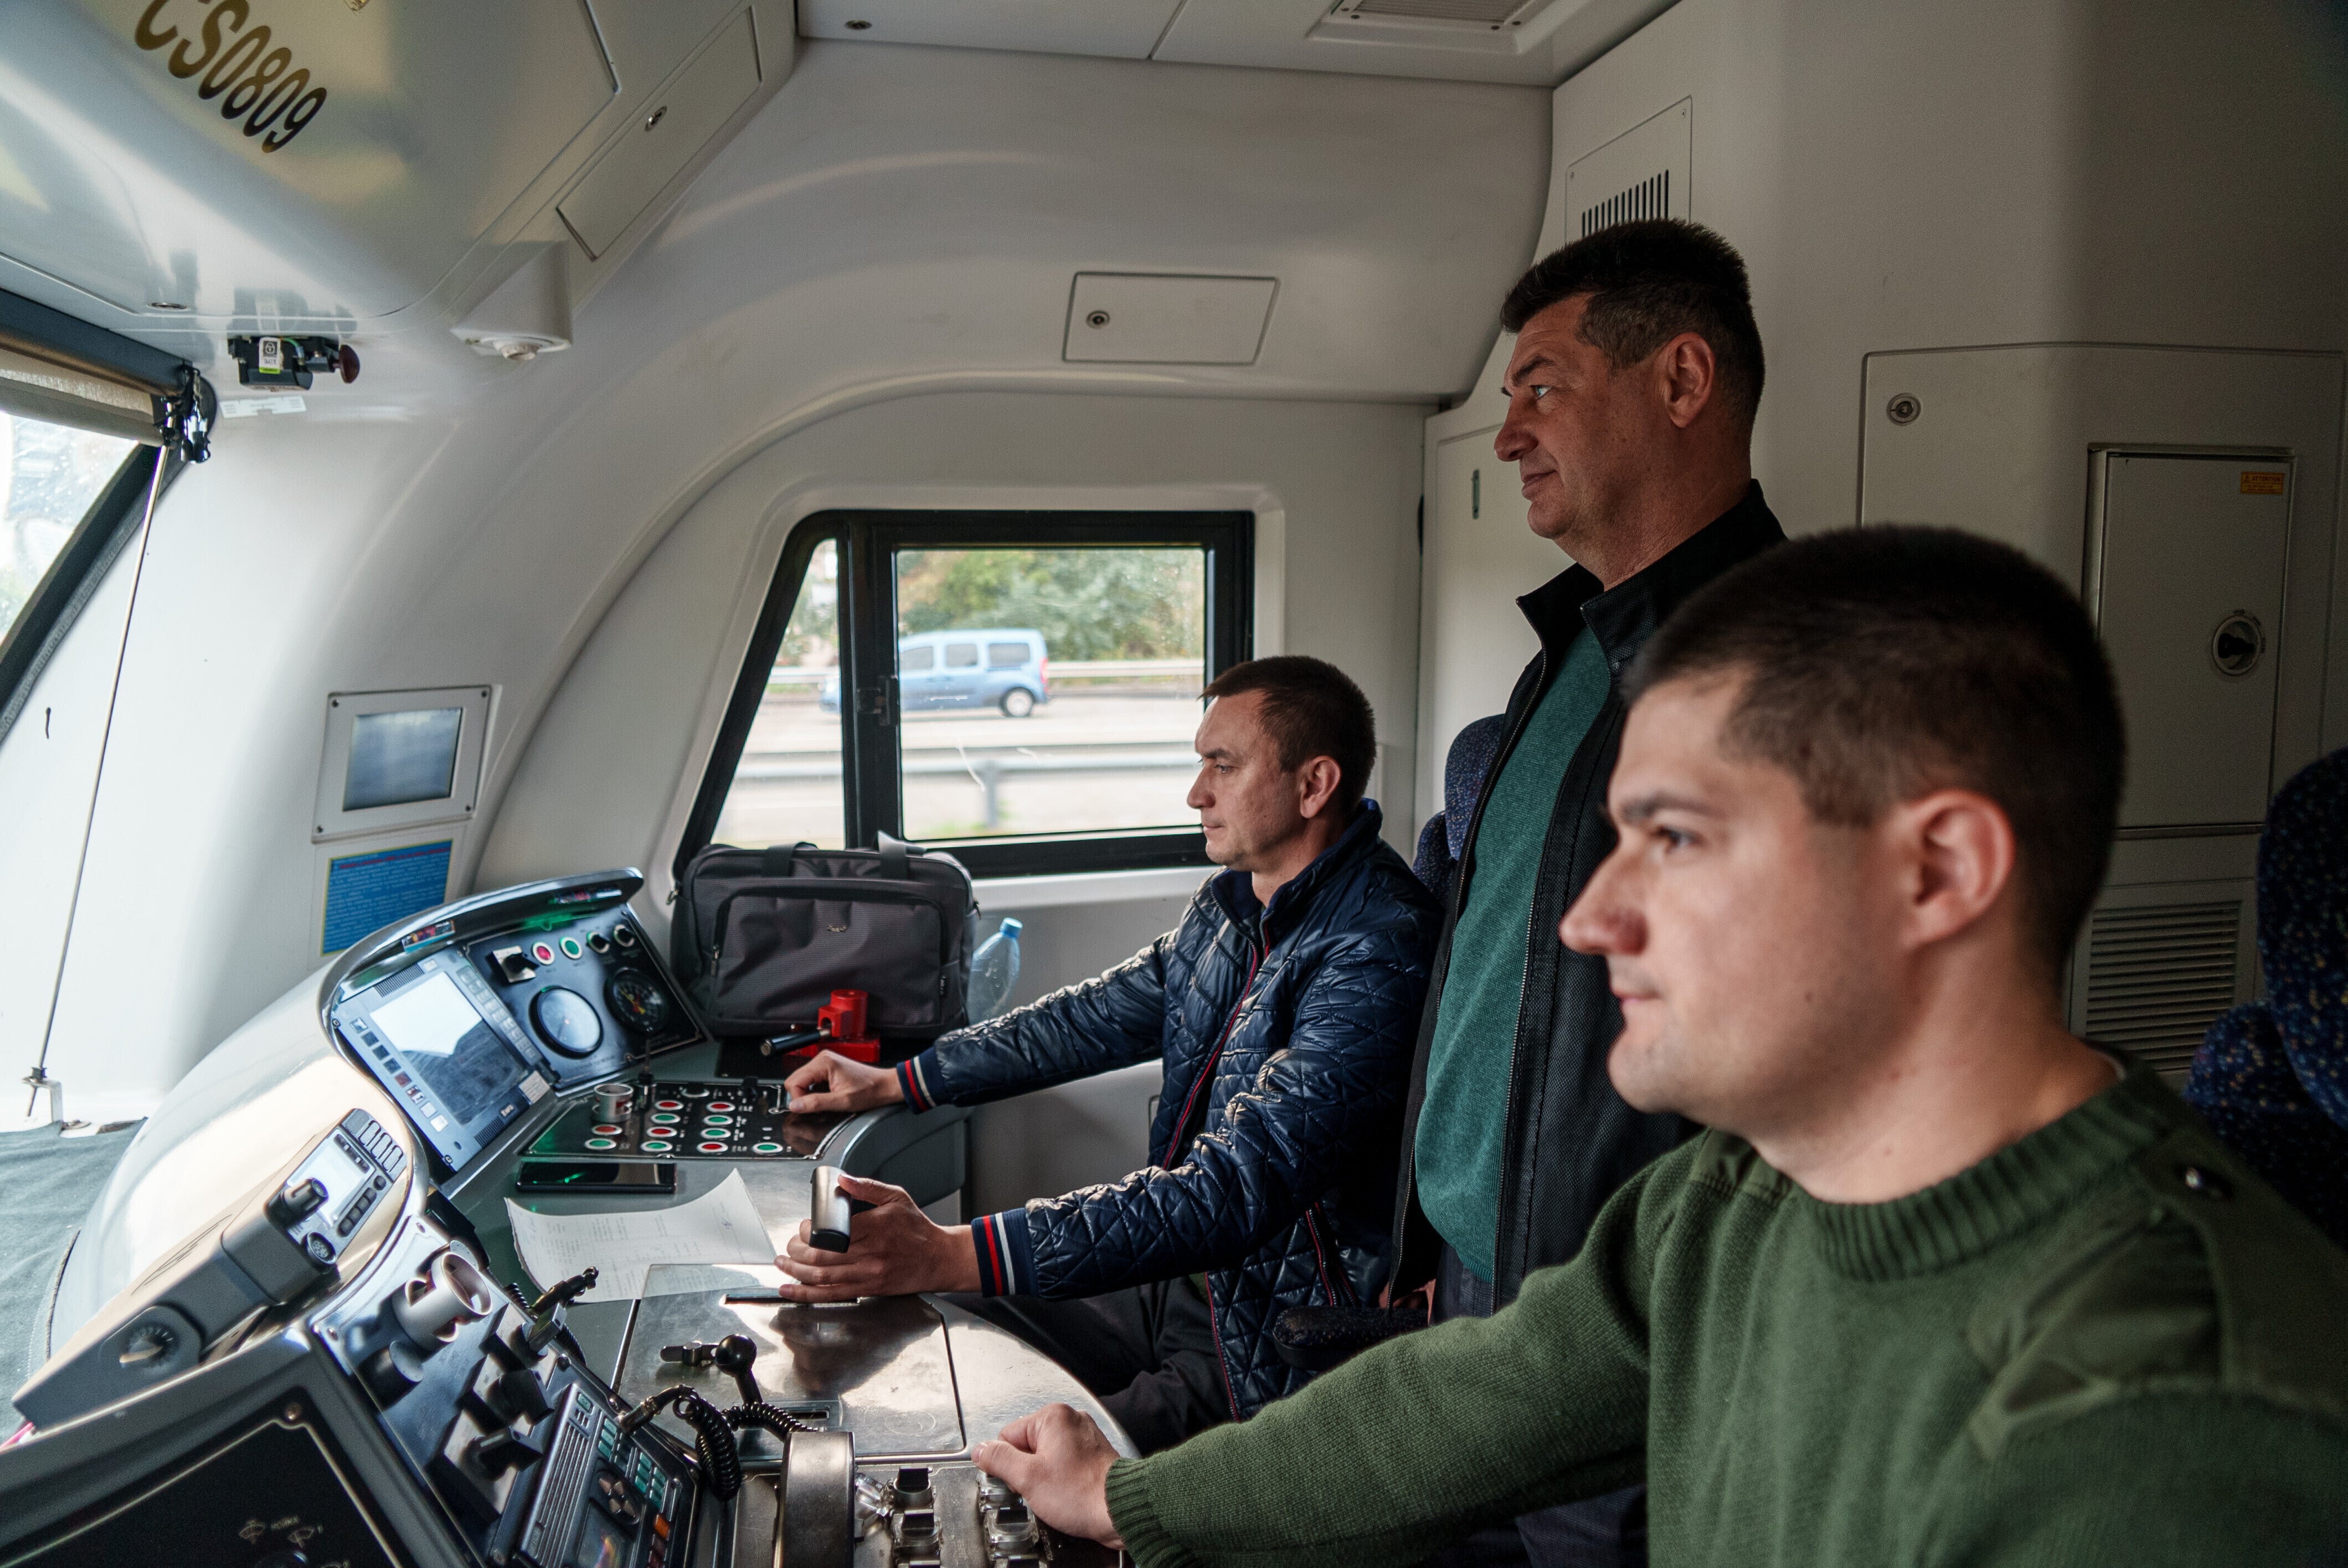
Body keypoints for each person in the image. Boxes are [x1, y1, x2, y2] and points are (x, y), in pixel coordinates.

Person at [972, 527, 2348, 1566]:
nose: (1587, 917)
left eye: (1674, 838)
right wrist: (1126, 1495)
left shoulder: (2169, 1424)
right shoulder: (1734, 1199)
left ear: (1937, 873)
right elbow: (1459, 1408)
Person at [771, 654, 1443, 1454]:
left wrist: (952, 1249)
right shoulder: (1236, 907)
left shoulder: (1375, 949)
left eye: (1222, 766)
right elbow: (1087, 1021)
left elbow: (1231, 1191)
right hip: (1183, 1289)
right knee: (924, 1328)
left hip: (1268, 1347)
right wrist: (897, 1080)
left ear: (1314, 784)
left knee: (990, 1451)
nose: (1197, 792)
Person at [1398, 218, 1784, 1564]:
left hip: (1618, 1322)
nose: (1505, 435)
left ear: (1678, 383)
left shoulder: (1779, 665)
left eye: (1541, 388)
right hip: (1471, 1275)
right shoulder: (1568, 648)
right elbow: (1493, 967)